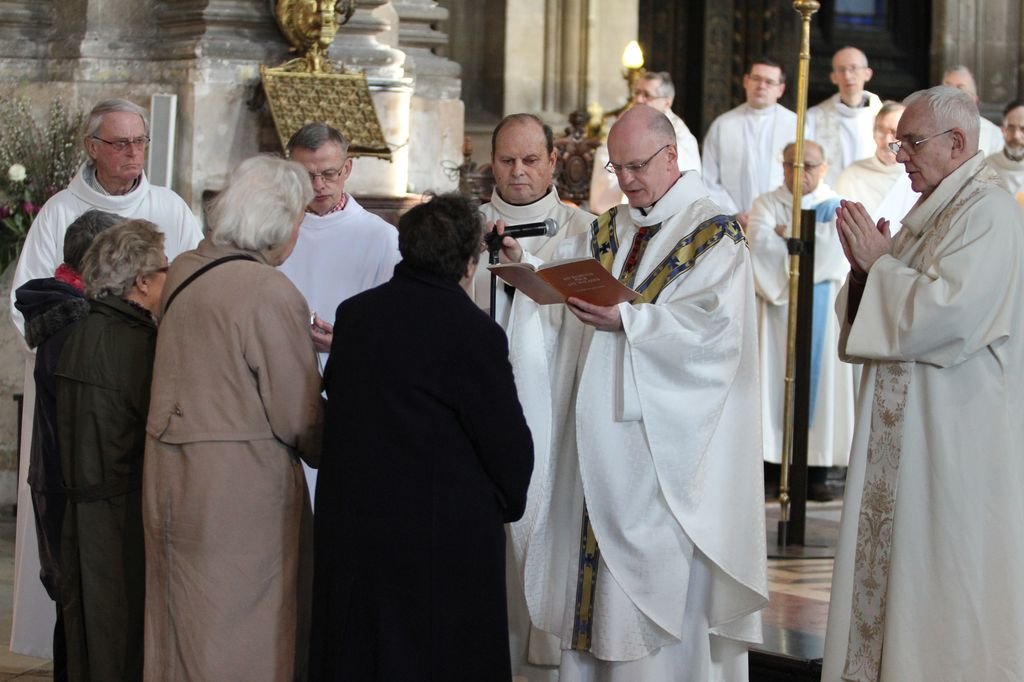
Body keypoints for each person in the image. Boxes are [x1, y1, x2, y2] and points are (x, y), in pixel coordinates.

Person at [501, 104, 767, 681]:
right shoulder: (608, 226)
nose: (624, 181)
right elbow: (567, 280)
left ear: (672, 156)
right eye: (616, 167)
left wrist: (634, 322)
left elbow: (717, 336)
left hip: (659, 448)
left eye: (636, 166)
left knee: (652, 599)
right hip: (591, 444)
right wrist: (529, 266)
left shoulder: (713, 231)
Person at [822, 85, 1024, 681]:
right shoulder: (931, 210)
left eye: (910, 142)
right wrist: (865, 275)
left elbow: (950, 316)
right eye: (897, 142)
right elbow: (883, 299)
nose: (899, 154)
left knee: (941, 575)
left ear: (957, 142)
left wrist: (878, 267)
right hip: (911, 440)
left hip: (953, 438)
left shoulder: (988, 211)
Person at [309, 193, 534, 680]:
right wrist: (502, 505)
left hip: (358, 528)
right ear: (470, 262)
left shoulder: (356, 315)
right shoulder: (474, 333)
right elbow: (508, 447)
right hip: (443, 541)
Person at [142, 156, 323, 681]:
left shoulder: (184, 268)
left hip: (168, 472)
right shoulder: (270, 293)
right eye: (299, 217)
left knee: (179, 622)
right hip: (238, 491)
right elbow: (299, 417)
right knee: (244, 630)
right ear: (279, 221)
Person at [56, 218, 169, 682]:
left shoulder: (78, 332)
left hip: (79, 513)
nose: (169, 278)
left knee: (87, 632)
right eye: (164, 270)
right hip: (123, 515)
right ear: (141, 282)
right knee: (122, 638)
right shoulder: (141, 345)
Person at [12, 209, 122, 682]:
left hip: (67, 483)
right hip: (83, 489)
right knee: (85, 620)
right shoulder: (79, 323)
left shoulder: (64, 309)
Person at [10, 98, 202, 335]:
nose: (133, 152)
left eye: (140, 141)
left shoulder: (171, 207)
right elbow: (27, 298)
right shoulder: (59, 210)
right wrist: (67, 357)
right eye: (121, 143)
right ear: (92, 147)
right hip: (73, 361)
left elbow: (196, 284)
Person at [747, 141, 854, 502]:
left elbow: (831, 252)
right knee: (774, 383)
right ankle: (773, 466)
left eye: (807, 165)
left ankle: (817, 470)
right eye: (792, 165)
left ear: (823, 168)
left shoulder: (836, 205)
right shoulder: (766, 203)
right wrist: (798, 239)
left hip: (821, 309)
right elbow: (761, 247)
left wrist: (788, 235)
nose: (799, 173)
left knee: (818, 389)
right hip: (777, 312)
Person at [278, 122, 400, 366]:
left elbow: (395, 322)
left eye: (329, 173)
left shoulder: (382, 237)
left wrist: (345, 343)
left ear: (347, 169)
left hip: (350, 372)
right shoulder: (273, 233)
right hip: (281, 368)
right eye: (306, 175)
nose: (318, 185)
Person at [471, 113, 595, 325]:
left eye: (530, 160)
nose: (518, 171)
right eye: (507, 161)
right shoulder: (468, 227)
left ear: (552, 161)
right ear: (492, 161)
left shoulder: (587, 229)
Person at [702, 57, 797, 229]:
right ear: (746, 81)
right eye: (756, 79)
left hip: (780, 223)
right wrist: (733, 214)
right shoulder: (723, 125)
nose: (762, 86)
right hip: (732, 223)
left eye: (769, 82)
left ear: (781, 89)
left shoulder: (796, 126)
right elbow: (709, 178)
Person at [589, 71, 701, 213]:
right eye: (637, 93)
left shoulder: (682, 137)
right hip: (620, 215)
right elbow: (606, 160)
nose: (639, 99)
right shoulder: (624, 123)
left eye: (647, 95)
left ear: (667, 102)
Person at [805, 47, 883, 185]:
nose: (847, 75)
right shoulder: (814, 117)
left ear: (867, 73)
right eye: (841, 70)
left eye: (853, 68)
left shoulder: (883, 116)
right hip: (831, 198)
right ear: (833, 77)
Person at [835, 101, 918, 228]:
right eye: (880, 131)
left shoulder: (917, 174)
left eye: (894, 133)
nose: (887, 141)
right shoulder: (852, 175)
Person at [941, 65, 1004, 156]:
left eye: (960, 88)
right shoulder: (926, 128)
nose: (951, 94)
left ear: (974, 99)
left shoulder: (994, 135)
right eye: (947, 87)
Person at [982, 99, 1024, 196]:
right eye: (1011, 128)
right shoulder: (987, 166)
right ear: (1002, 129)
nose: (1016, 136)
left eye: (1023, 129)